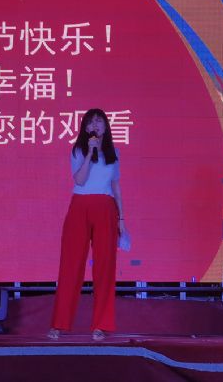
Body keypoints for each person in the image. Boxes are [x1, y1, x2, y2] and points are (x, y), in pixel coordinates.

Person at [48, 108, 127, 341]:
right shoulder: (78, 150)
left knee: (105, 267)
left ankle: (100, 325)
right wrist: (90, 152)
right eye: (91, 122)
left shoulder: (114, 153)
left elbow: (116, 188)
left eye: (99, 121)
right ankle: (59, 324)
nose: (95, 125)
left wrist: (122, 219)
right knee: (70, 265)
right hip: (80, 207)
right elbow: (80, 180)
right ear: (85, 127)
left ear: (106, 127)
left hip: (106, 208)